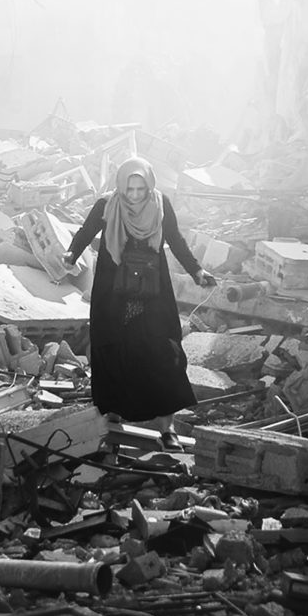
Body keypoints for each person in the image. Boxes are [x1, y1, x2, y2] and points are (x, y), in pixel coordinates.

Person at [63, 157, 216, 448]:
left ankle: (167, 428)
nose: (134, 195)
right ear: (121, 185)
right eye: (129, 189)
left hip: (153, 292)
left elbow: (176, 240)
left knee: (162, 353)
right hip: (113, 293)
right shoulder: (107, 205)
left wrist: (197, 271)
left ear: (149, 186)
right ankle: (112, 419)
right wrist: (71, 254)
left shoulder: (160, 205)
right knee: (112, 352)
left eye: (140, 189)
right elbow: (85, 233)